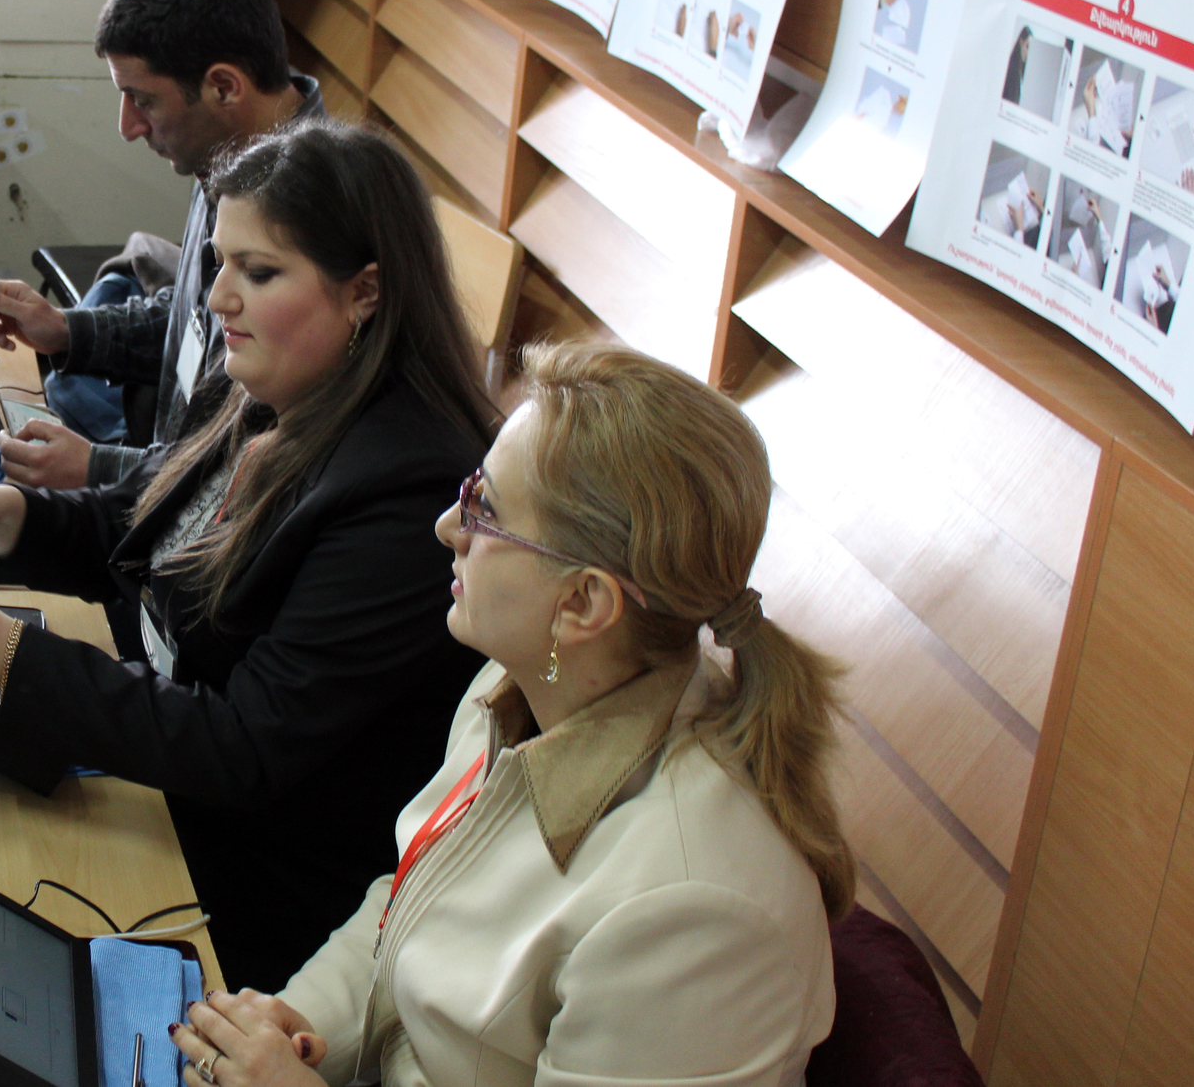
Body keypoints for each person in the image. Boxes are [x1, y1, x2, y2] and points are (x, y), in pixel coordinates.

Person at [0, 119, 499, 990]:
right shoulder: (281, 383)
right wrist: (4, 518)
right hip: (168, 787)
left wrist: (6, 654)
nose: (218, 298)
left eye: (258, 273)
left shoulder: (409, 487)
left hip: (255, 883)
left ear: (364, 291)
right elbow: (150, 528)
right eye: (219, 263)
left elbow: (245, 749)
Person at [167, 343, 847, 1087]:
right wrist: (296, 1026)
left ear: (582, 602)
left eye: (484, 510)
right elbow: (409, 905)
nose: (446, 527)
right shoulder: (516, 685)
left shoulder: (693, 913)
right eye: (470, 489)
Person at [0, 0, 323, 490]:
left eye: (143, 100)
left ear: (224, 87)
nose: (128, 126)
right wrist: (66, 330)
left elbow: (251, 477)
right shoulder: (232, 151)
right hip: (162, 460)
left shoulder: (308, 221)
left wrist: (98, 467)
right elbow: (198, 324)